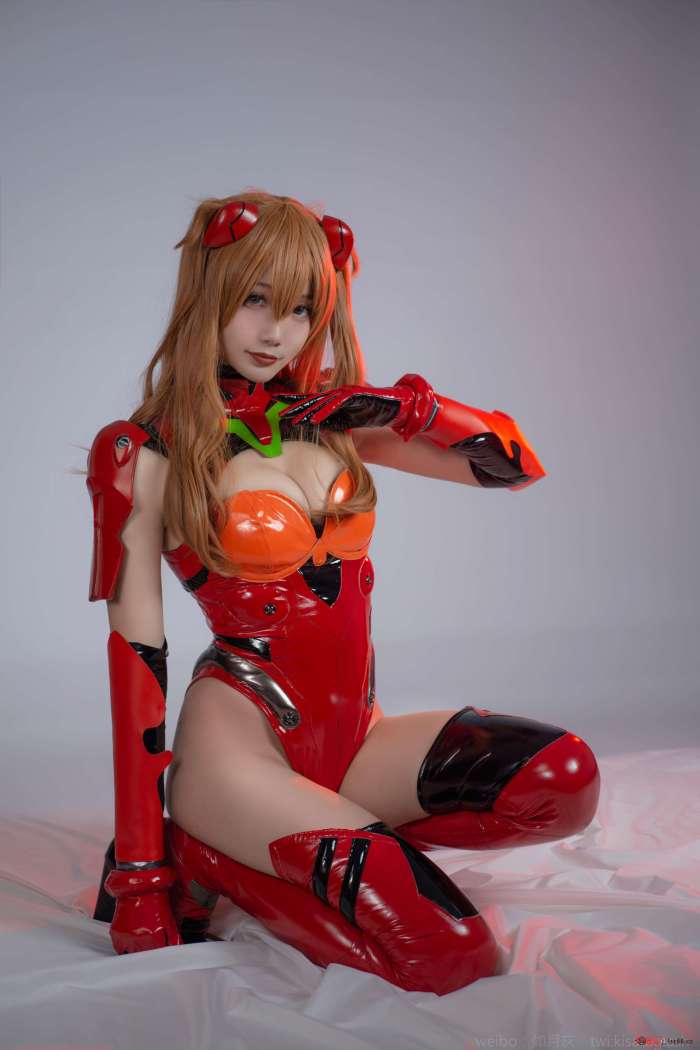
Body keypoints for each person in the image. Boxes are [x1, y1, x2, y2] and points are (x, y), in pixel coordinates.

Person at [86, 190, 600, 995]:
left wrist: (402, 406)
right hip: (239, 749)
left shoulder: (333, 419)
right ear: (209, 292)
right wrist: (142, 878)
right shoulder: (143, 450)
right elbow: (135, 660)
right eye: (255, 299)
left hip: (355, 741)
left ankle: (297, 845)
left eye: (300, 309)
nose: (276, 332)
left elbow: (514, 467)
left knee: (563, 779)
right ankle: (203, 848)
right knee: (453, 956)